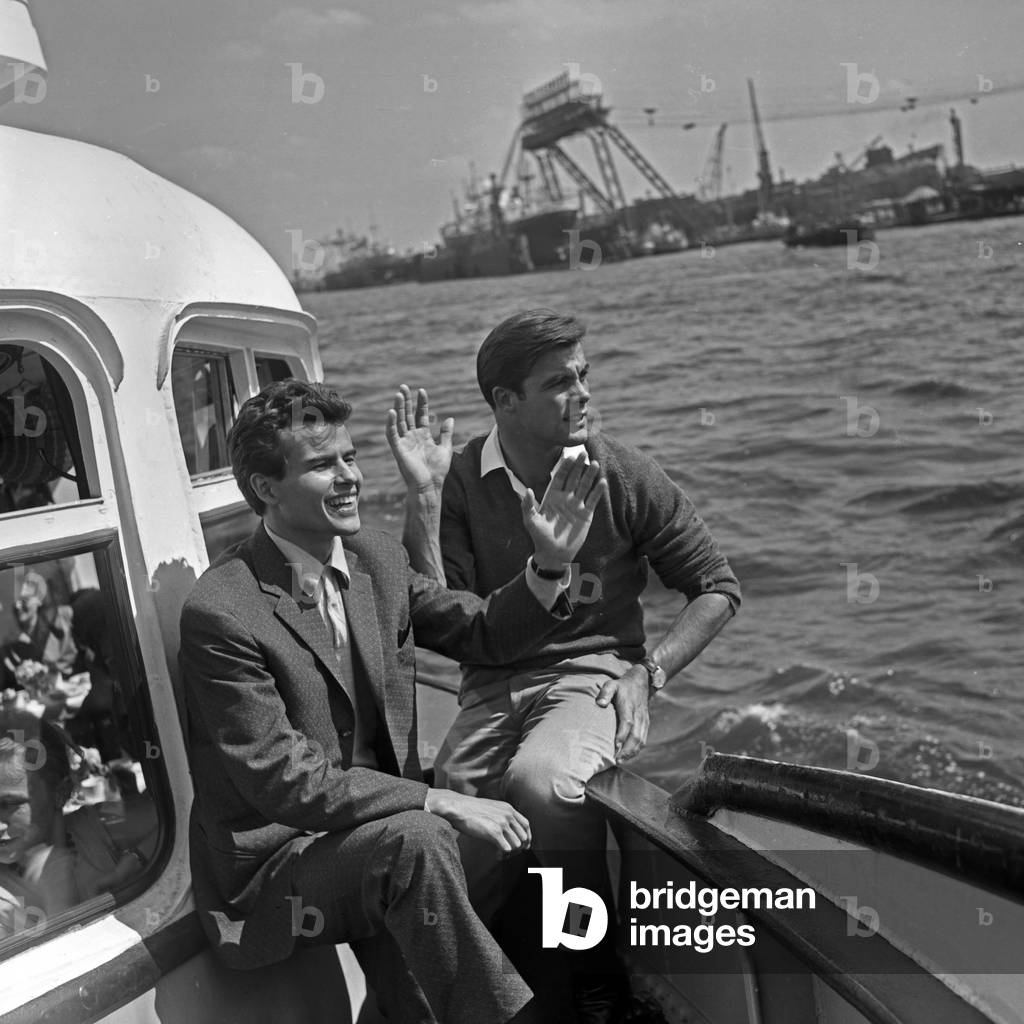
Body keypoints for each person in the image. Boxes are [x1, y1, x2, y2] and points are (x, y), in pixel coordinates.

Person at [178, 379, 606, 1024]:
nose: (349, 477)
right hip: (277, 864)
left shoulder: (374, 558)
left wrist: (547, 566)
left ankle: (559, 997)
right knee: (418, 839)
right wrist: (438, 797)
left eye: (350, 457)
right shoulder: (223, 611)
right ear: (266, 489)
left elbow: (479, 632)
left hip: (372, 830)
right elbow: (282, 781)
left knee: (491, 837)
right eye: (323, 466)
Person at [391, 309, 741, 1023]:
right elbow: (445, 615)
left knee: (543, 785)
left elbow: (718, 588)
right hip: (490, 684)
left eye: (584, 375)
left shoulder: (622, 474)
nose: (582, 393)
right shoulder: (459, 483)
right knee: (456, 826)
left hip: (593, 675)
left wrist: (652, 671)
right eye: (559, 383)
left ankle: (595, 972)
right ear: (505, 402)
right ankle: (473, 987)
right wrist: (422, 500)